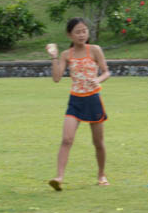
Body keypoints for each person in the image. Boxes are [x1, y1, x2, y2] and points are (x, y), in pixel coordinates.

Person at [45, 17, 110, 191]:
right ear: (69, 35)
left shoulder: (95, 50)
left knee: (98, 142)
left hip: (93, 100)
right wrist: (54, 57)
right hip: (75, 101)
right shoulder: (67, 54)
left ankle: (101, 175)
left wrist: (98, 79)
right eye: (77, 32)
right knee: (66, 140)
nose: (82, 35)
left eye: (84, 31)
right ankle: (58, 177)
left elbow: (106, 72)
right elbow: (57, 78)